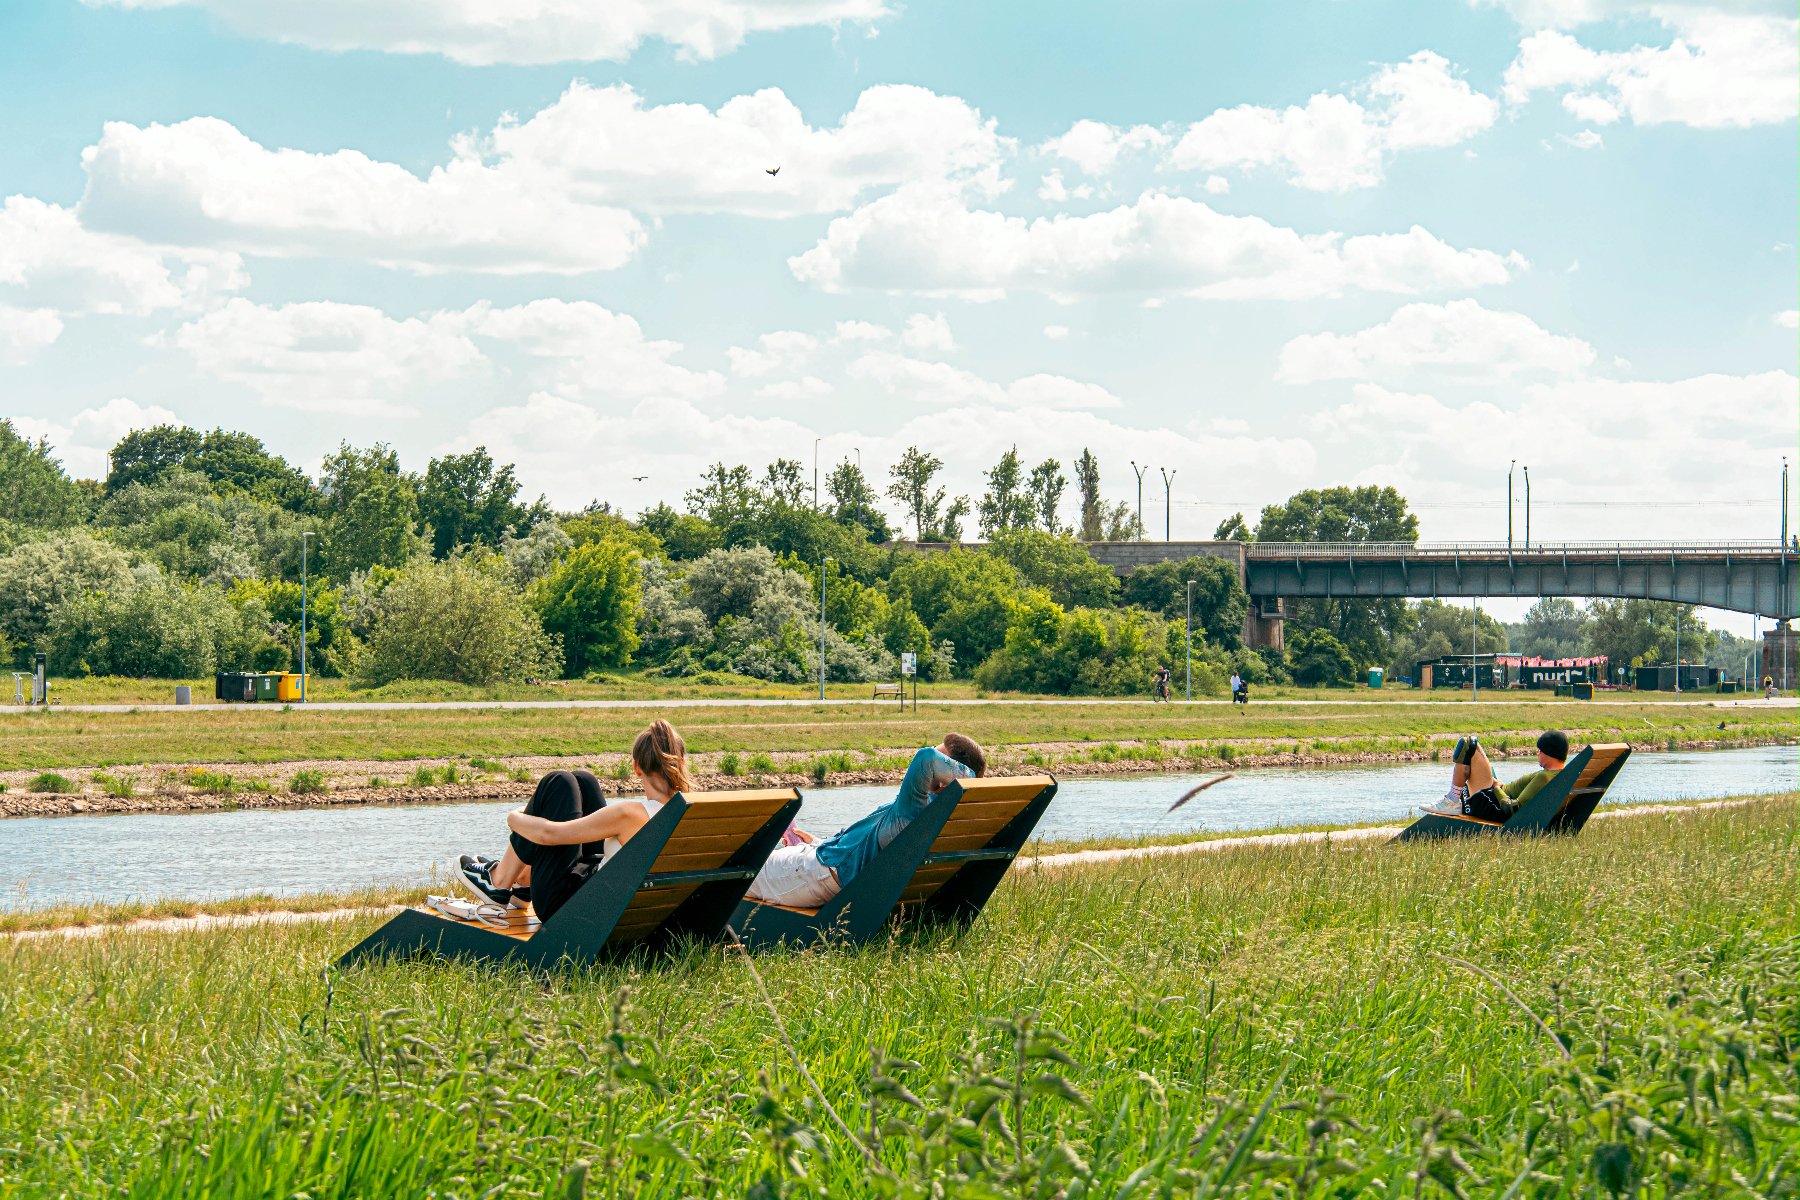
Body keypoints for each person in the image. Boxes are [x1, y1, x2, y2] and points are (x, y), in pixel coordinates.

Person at [455, 720, 691, 921]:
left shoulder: (629, 815)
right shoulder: (692, 811)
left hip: (574, 908)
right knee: (583, 781)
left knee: (558, 783)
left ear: (637, 768)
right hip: (637, 904)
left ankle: (500, 880)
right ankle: (524, 880)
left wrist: (514, 818)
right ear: (681, 763)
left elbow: (549, 834)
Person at [744, 733, 987, 909]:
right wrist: (820, 842)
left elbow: (925, 758)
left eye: (940, 755)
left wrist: (963, 778)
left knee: (735, 871)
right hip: (823, 862)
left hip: (816, 873)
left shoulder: (914, 809)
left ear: (946, 776)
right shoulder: (943, 816)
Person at [1423, 730, 1569, 821]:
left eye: (1540, 751)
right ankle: (1453, 800)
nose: (1538, 754)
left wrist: (1497, 788)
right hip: (1496, 799)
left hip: (1493, 806)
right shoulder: (1560, 776)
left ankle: (1452, 800)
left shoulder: (1545, 777)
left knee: (1468, 743)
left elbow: (1512, 809)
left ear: (1550, 753)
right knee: (1481, 766)